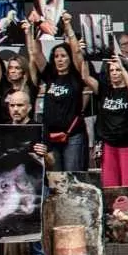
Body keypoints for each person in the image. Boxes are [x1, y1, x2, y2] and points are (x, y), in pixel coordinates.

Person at [0, 88, 50, 255]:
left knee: (33, 205)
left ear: (29, 107)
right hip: (4, 185)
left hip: (33, 185)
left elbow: (51, 161)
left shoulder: (38, 128)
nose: (15, 109)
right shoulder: (3, 130)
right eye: (12, 105)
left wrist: (45, 154)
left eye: (20, 105)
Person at [33, 20, 91, 173]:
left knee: (72, 176)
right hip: (50, 135)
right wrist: (36, 27)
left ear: (69, 58)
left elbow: (78, 53)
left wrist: (68, 26)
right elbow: (36, 53)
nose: (59, 59)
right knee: (55, 177)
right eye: (56, 56)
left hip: (72, 135)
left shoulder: (76, 76)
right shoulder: (50, 76)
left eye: (63, 56)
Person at [95, 53, 128, 189]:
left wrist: (122, 66)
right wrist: (84, 56)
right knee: (110, 187)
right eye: (112, 70)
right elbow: (86, 77)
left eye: (118, 70)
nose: (115, 73)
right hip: (109, 145)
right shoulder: (105, 90)